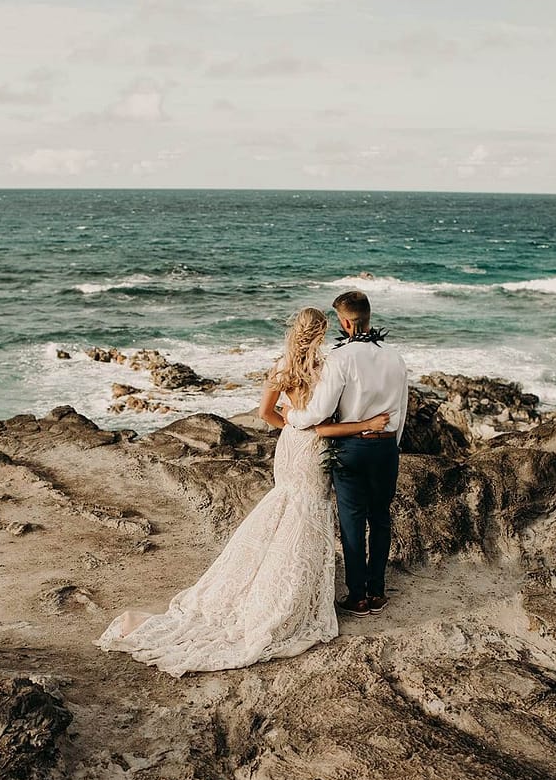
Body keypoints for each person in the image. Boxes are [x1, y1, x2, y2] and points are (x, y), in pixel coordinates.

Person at [95, 307, 390, 676]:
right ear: (322, 332)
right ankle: (289, 595)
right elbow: (331, 416)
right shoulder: (329, 366)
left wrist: (292, 426)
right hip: (314, 447)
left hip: (291, 445)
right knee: (309, 510)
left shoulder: (281, 367)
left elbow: (266, 413)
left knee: (286, 506)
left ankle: (269, 584)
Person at [283, 290, 408, 617]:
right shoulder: (395, 356)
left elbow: (320, 410)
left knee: (352, 522)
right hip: (386, 446)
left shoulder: (340, 358)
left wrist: (292, 418)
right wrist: (391, 446)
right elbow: (403, 409)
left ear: (346, 322)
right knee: (381, 518)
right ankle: (378, 593)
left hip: (351, 448)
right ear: (368, 317)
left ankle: (358, 597)